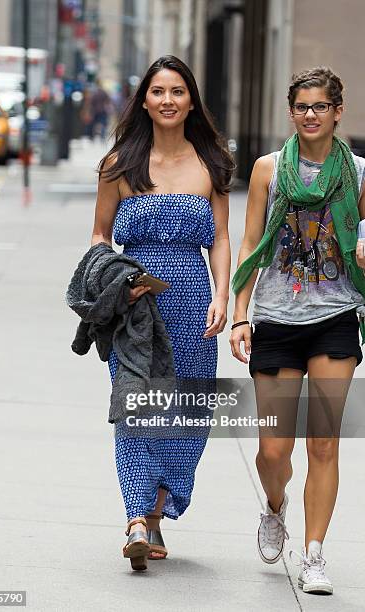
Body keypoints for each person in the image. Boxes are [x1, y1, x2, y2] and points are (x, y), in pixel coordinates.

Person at [90, 55, 234, 571]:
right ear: (144, 101)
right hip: (134, 303)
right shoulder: (119, 165)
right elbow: (100, 235)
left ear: (191, 99)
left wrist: (223, 297)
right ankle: (134, 518)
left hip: (194, 300)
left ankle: (153, 517)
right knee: (135, 406)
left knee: (187, 413)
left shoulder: (211, 163)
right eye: (158, 92)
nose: (168, 100)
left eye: (177, 91)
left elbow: (219, 238)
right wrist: (112, 281)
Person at [230, 67, 365, 595]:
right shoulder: (267, 170)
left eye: (320, 106)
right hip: (277, 319)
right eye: (302, 107)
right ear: (292, 112)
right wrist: (242, 313)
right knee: (273, 451)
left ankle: (314, 554)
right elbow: (249, 245)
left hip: (334, 316)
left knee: (324, 443)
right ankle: (274, 506)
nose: (310, 115)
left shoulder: (357, 173)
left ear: (337, 112)